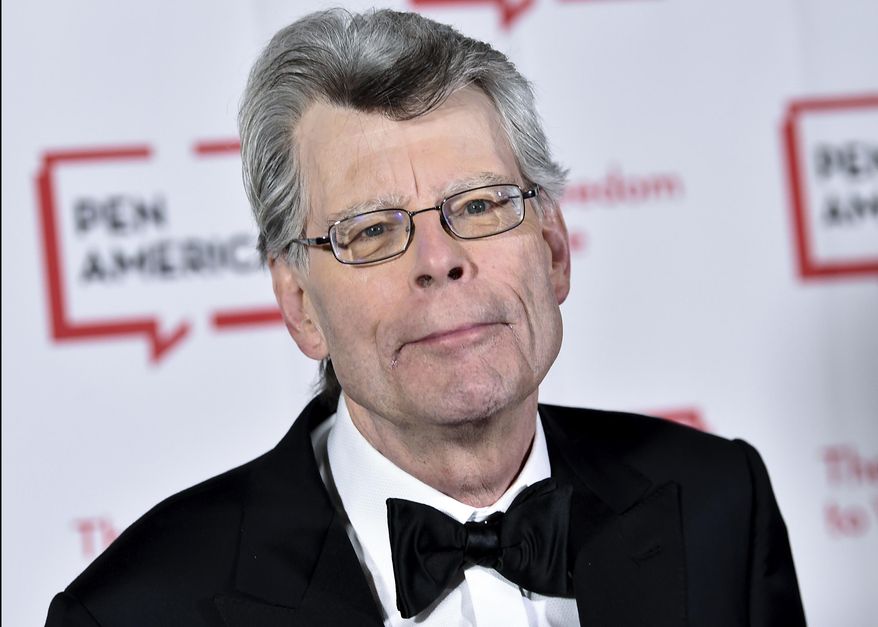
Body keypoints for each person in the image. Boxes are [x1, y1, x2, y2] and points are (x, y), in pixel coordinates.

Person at [45, 8, 806, 627]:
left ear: (553, 250)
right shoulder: (132, 611)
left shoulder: (718, 503)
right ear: (300, 304)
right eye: (372, 230)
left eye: (478, 205)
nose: (439, 259)